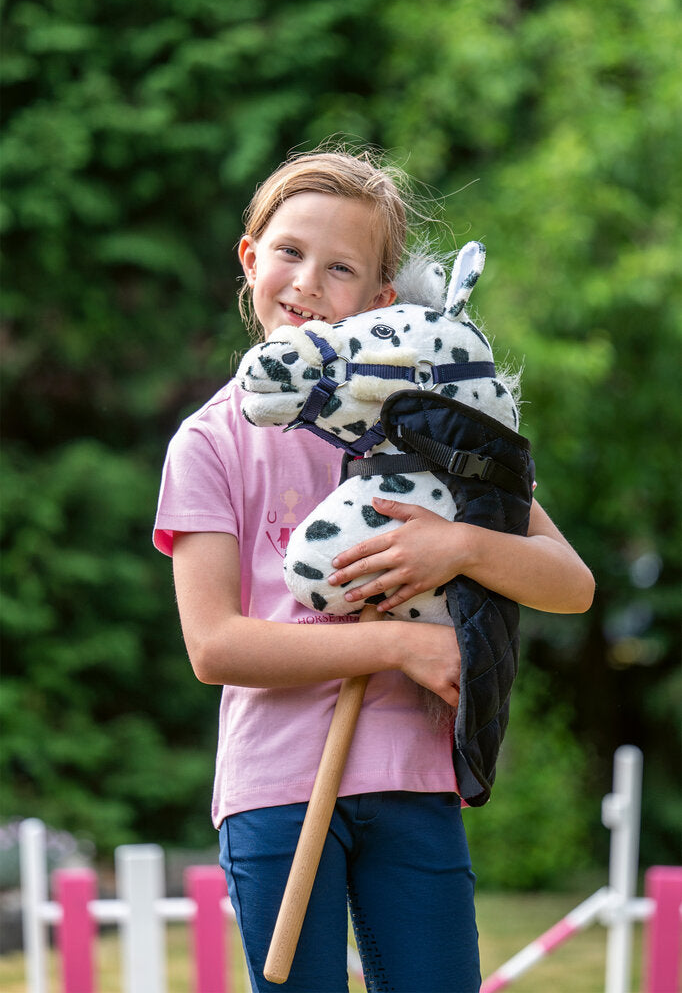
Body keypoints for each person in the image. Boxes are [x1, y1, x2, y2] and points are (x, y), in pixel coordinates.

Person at [153, 147, 594, 993]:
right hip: (277, 789)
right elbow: (215, 647)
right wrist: (396, 649)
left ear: (381, 301)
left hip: (412, 779)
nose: (308, 283)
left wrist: (457, 545)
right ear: (250, 257)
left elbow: (568, 584)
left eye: (342, 268)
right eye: (289, 252)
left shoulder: (431, 432)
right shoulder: (208, 444)